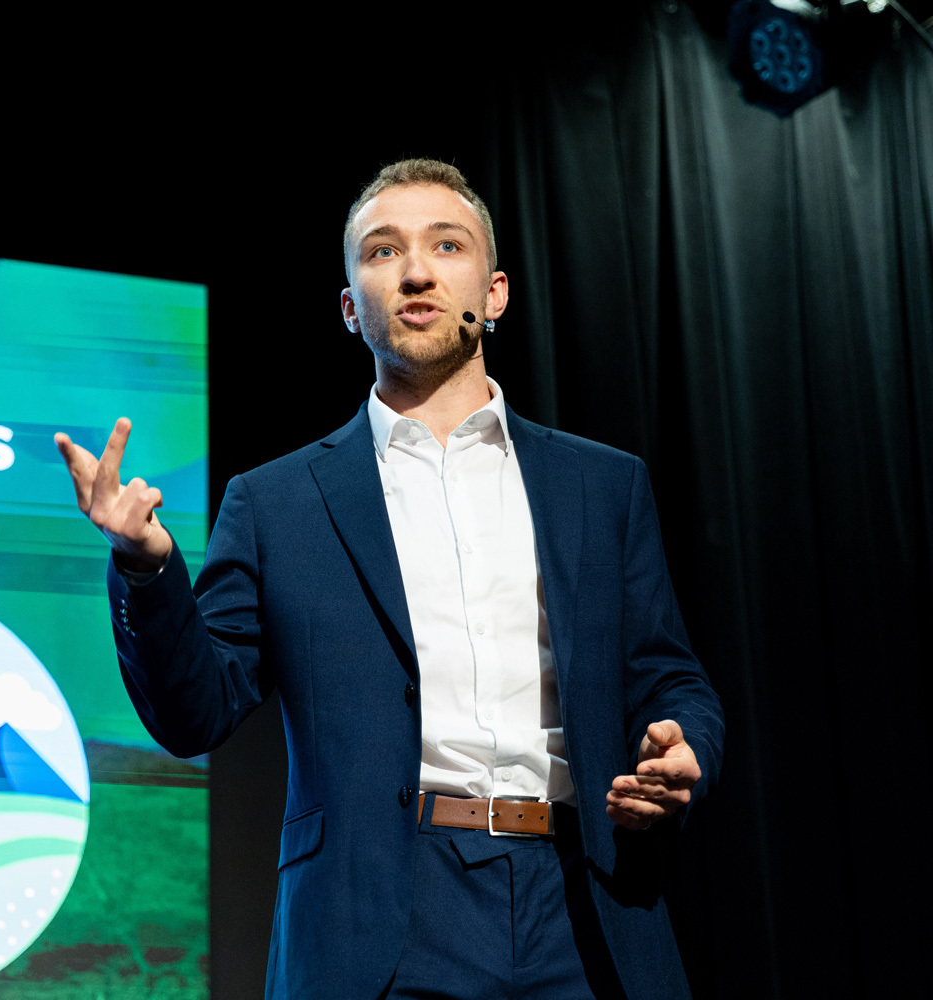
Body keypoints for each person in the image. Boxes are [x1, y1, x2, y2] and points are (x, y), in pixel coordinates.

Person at [55, 159, 724, 1000]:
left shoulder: (604, 484)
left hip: (584, 903)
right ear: (349, 307)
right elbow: (196, 712)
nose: (415, 269)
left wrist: (686, 746)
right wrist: (146, 566)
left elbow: (669, 676)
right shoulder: (275, 502)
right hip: (379, 922)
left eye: (447, 245)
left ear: (498, 291)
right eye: (381, 251)